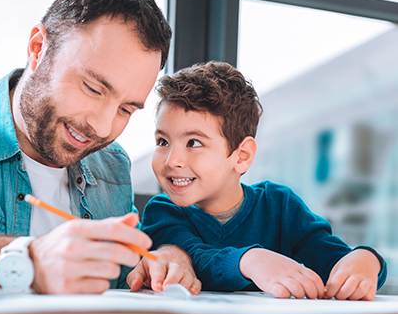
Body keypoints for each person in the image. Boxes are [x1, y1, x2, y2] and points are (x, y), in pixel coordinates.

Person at [0, 0, 201, 295]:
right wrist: (24, 262)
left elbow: (131, 270)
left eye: (126, 109)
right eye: (93, 89)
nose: (101, 127)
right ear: (38, 48)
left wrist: (166, 258)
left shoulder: (112, 166)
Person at [141, 61, 387, 300]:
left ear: (242, 156)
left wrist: (367, 260)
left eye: (193, 143)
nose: (172, 161)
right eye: (163, 142)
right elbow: (198, 259)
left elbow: (330, 256)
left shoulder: (280, 206)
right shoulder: (162, 213)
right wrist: (250, 260)